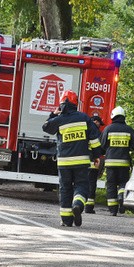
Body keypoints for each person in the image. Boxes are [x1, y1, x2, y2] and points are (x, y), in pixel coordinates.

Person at [42, 90, 101, 227]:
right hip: (81, 161)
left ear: (62, 104)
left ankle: (67, 220)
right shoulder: (85, 118)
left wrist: (53, 114)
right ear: (75, 104)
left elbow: (46, 127)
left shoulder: (59, 120)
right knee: (81, 186)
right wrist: (97, 156)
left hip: (64, 162)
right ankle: (78, 204)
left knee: (65, 189)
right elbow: (94, 139)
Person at [100, 106, 134, 216]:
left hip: (110, 163)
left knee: (111, 185)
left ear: (113, 116)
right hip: (124, 163)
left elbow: (102, 145)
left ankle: (113, 210)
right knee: (123, 183)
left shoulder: (108, 129)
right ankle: (121, 197)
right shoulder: (129, 129)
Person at [85, 113, 105, 214]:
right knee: (91, 184)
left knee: (81, 184)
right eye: (99, 123)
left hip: (82, 162)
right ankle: (88, 207)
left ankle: (79, 203)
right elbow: (99, 149)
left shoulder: (83, 130)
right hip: (93, 162)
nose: (99, 126)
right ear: (96, 122)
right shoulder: (96, 133)